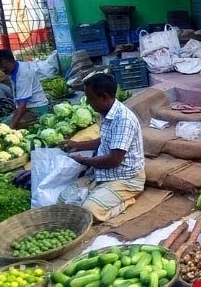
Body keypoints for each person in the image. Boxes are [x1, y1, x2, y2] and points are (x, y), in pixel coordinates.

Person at [60, 73, 145, 222]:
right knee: (63, 200)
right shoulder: (106, 113)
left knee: (88, 212)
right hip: (101, 173)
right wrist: (77, 145)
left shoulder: (123, 119)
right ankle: (101, 195)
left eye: (90, 98)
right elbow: (104, 141)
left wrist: (84, 161)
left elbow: (114, 160)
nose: (87, 102)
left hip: (125, 179)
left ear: (104, 97)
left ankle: (126, 200)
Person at [0, 49, 49, 129]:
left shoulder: (23, 74)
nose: (3, 69)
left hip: (36, 109)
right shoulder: (13, 70)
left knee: (7, 127)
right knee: (1, 124)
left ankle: (38, 121)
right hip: (27, 108)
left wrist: (11, 128)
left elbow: (22, 107)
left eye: (4, 67)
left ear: (12, 61)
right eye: (0, 67)